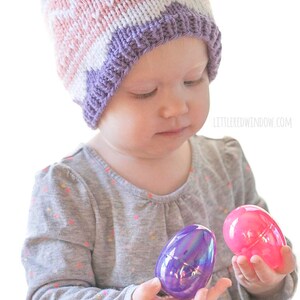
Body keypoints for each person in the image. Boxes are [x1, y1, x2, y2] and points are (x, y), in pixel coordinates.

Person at [22, 0, 297, 299]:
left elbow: (274, 264)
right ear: (95, 99)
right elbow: (49, 292)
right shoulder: (69, 190)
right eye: (146, 92)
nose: (177, 107)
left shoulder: (226, 164)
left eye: (193, 79)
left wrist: (266, 282)